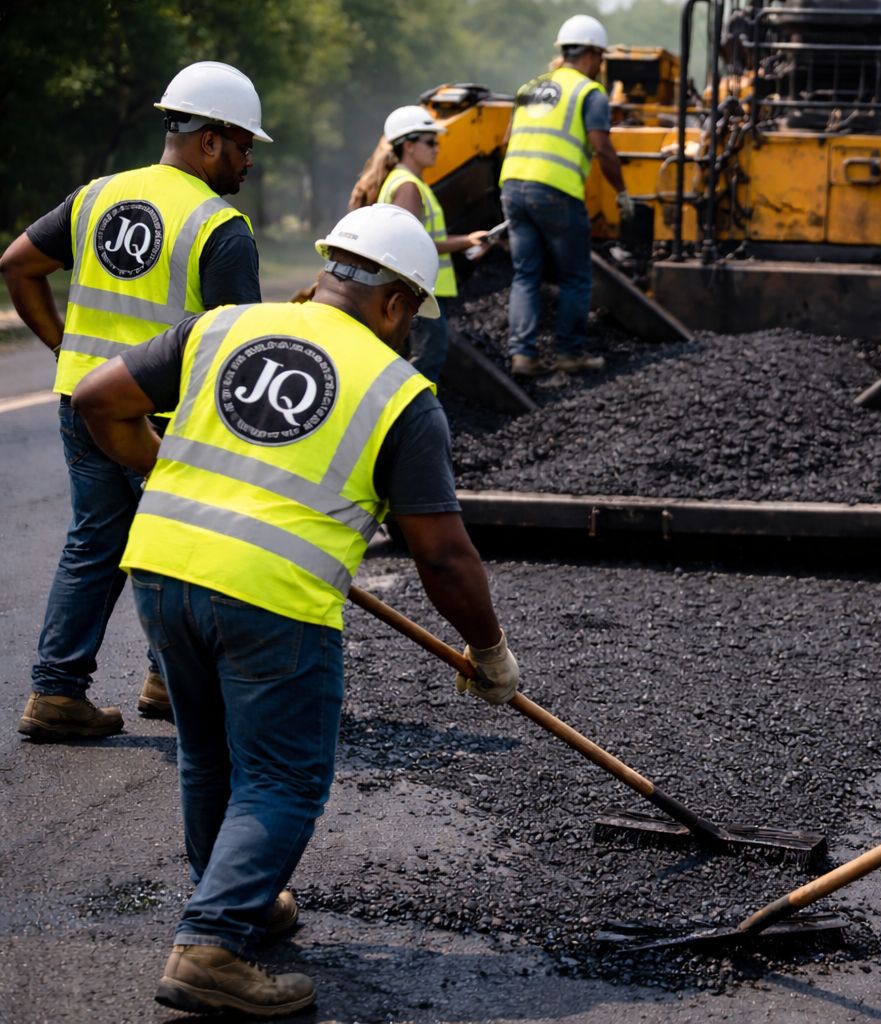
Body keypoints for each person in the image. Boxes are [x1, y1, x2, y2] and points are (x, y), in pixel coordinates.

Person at [71, 203, 522, 1016]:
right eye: (411, 314)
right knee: (282, 776)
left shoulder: (220, 328)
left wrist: (167, 468)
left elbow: (98, 400)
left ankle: (236, 898)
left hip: (163, 570)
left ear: (326, 272)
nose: (406, 329)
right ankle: (212, 942)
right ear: (395, 303)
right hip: (272, 600)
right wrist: (488, 651)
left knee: (210, 755)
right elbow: (443, 554)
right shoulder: (399, 391)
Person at [0, 61, 269, 739]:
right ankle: (170, 683)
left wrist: (68, 350)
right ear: (209, 140)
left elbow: (17, 264)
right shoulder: (219, 227)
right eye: (242, 147)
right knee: (181, 547)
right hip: (164, 419)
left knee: (95, 542)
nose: (246, 164)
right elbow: (241, 352)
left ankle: (57, 693)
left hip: (83, 404)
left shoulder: (96, 195)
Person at [499, 14, 634, 377]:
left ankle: (522, 355)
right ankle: (568, 353)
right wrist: (621, 192)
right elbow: (602, 147)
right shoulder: (590, 93)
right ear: (591, 54)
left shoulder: (531, 86)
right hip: (556, 192)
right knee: (576, 276)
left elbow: (506, 140)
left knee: (526, 274)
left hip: (512, 186)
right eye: (600, 58)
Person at [368, 104, 488, 382]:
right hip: (418, 290)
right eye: (430, 142)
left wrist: (467, 241)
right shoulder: (408, 186)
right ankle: (411, 419)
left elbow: (424, 239)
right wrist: (463, 243)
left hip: (418, 290)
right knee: (428, 359)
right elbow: (410, 247)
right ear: (409, 146)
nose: (437, 148)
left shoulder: (405, 182)